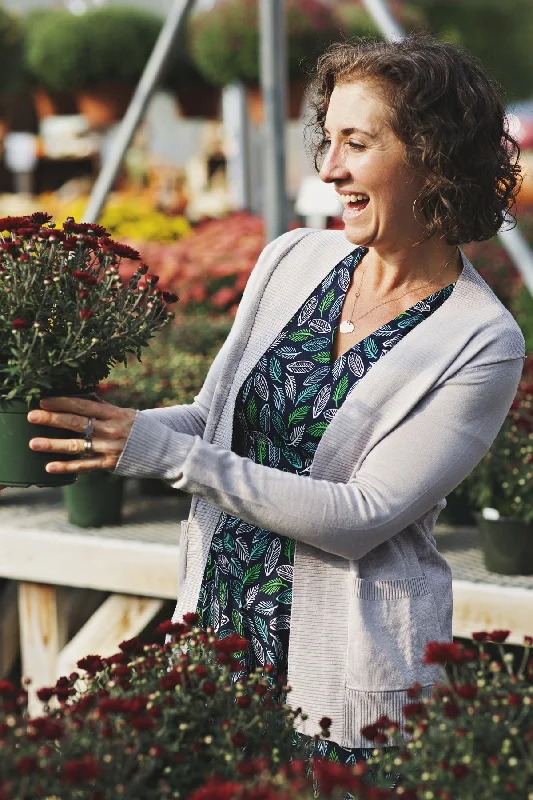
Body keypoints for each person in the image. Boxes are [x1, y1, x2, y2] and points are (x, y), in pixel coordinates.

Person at [22, 35, 525, 771]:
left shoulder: (477, 338)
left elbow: (360, 517)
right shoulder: (293, 259)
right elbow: (210, 420)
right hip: (219, 643)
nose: (328, 169)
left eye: (356, 143)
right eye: (327, 140)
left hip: (346, 675)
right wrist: (102, 433)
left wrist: (166, 454)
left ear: (433, 156)